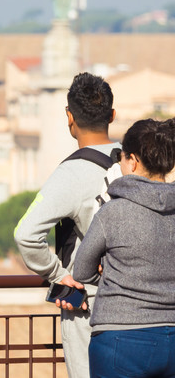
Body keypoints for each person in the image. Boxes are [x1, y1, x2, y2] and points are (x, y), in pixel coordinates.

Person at [15, 72, 117, 378]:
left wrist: (59, 276)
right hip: (148, 306)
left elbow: (25, 234)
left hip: (90, 306)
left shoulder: (71, 172)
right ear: (112, 115)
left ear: (69, 117)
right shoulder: (136, 159)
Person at [73, 119, 175, 378]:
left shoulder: (113, 212)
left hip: (120, 338)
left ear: (133, 160)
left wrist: (109, 271)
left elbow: (81, 271)